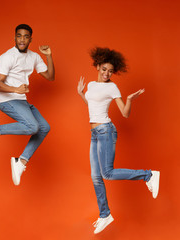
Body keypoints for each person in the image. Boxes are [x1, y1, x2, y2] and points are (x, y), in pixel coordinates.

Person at [77, 47, 160, 234]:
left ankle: (149, 175)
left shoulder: (112, 87)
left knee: (106, 173)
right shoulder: (91, 85)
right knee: (95, 177)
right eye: (104, 69)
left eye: (110, 71)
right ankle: (105, 214)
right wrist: (82, 94)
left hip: (106, 131)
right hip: (95, 133)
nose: (107, 73)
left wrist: (129, 99)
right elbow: (93, 107)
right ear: (97, 66)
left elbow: (125, 113)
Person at [0, 24, 55, 186]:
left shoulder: (34, 57)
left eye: (25, 36)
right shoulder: (7, 57)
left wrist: (49, 56)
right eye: (19, 36)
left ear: (30, 39)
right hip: (6, 100)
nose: (22, 39)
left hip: (21, 101)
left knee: (44, 127)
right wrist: (16, 89)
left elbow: (50, 77)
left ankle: (21, 161)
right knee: (32, 127)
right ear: (14, 37)